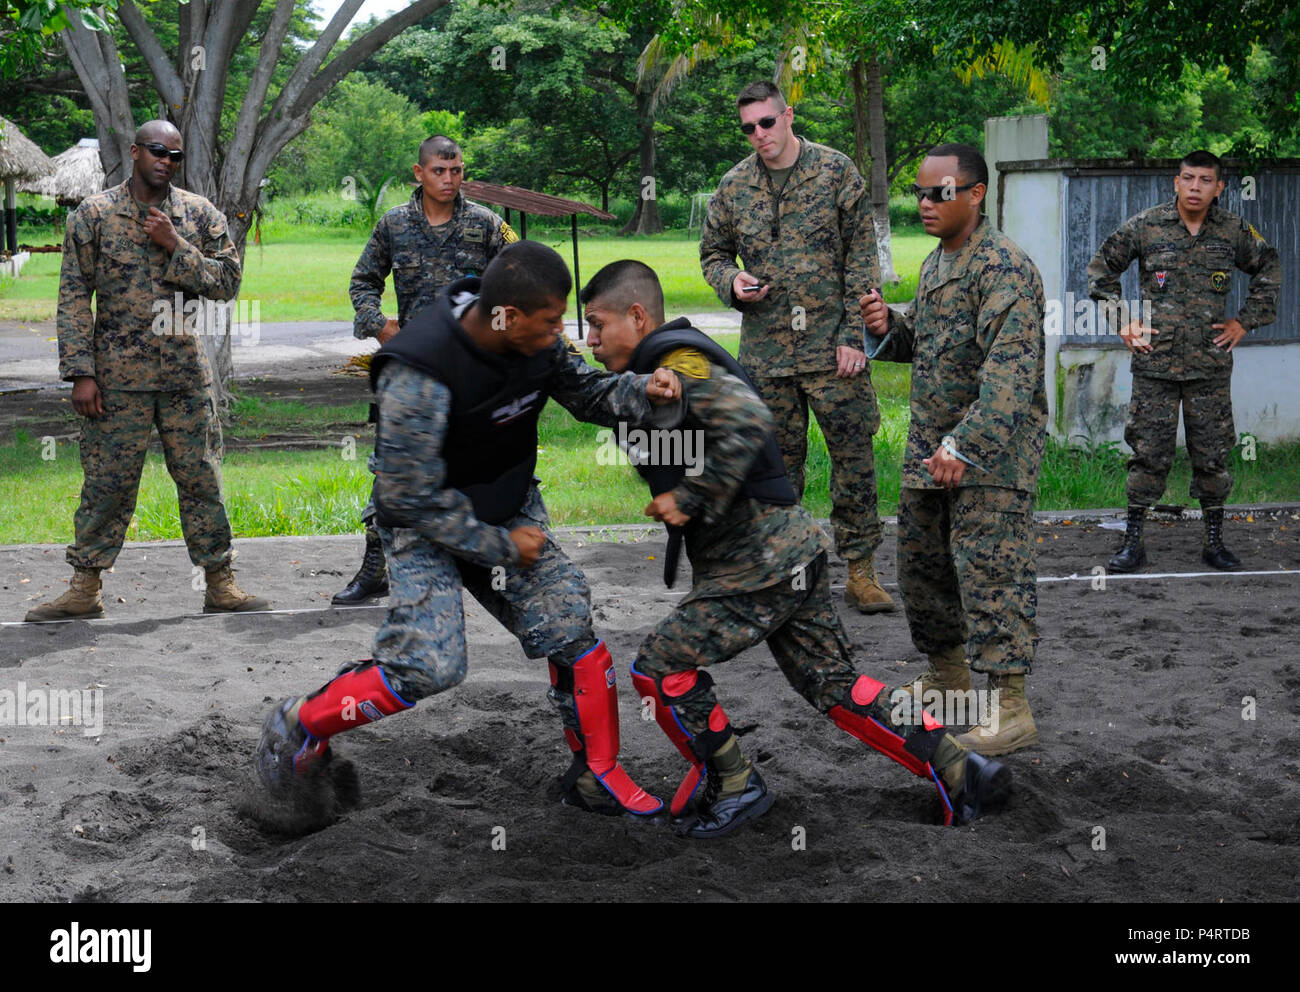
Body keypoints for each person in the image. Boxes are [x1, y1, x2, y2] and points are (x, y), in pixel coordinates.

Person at [582, 259, 1010, 838]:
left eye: (595, 324)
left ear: (636, 316)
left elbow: (749, 418)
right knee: (833, 685)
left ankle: (737, 784)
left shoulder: (677, 361)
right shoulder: (651, 368)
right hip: (790, 552)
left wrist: (690, 495)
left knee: (660, 669)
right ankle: (961, 768)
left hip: (760, 562)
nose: (589, 340)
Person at [257, 242, 678, 818]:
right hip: (422, 525)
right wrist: (500, 547)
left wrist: (642, 390)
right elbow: (410, 496)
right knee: (427, 667)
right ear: (506, 315)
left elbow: (586, 393)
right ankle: (297, 722)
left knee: (569, 626)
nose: (562, 332)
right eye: (551, 320)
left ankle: (595, 775)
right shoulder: (419, 370)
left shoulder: (537, 340)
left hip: (504, 507)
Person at [25, 120, 265, 623]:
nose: (166, 161)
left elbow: (227, 283)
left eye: (175, 156)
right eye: (158, 151)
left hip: (184, 377)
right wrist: (80, 373)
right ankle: (84, 588)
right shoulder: (93, 215)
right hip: (115, 382)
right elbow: (73, 298)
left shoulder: (197, 214)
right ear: (135, 152)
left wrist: (176, 244)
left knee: (201, 479)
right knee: (107, 484)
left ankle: (219, 583)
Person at [860, 144, 1047, 757]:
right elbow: (934, 343)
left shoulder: (1006, 268)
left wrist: (965, 444)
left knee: (992, 574)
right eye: (918, 192)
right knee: (923, 568)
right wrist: (891, 326)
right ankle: (948, 679)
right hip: (928, 454)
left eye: (939, 191)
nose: (925, 203)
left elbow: (1009, 376)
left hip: (989, 458)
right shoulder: (939, 264)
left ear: (974, 194)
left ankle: (1011, 708)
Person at [699, 80, 893, 615]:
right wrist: (731, 282)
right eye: (747, 128)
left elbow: (862, 256)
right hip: (767, 354)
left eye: (766, 122)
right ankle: (787, 570)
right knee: (777, 472)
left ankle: (860, 570)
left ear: (788, 116)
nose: (758, 135)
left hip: (834, 351)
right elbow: (713, 252)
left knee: (853, 462)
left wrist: (854, 336)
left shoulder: (835, 172)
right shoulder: (734, 185)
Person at [335, 134, 517, 605]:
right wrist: (380, 327)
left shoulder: (487, 225)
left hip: (473, 375)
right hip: (412, 374)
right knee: (391, 470)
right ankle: (376, 567)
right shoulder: (394, 225)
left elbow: (516, 287)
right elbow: (363, 281)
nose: (449, 180)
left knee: (484, 466)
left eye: (456, 171)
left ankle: (490, 564)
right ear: (420, 172)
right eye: (440, 171)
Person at [1086, 150, 1282, 572]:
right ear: (1176, 182)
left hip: (1209, 368)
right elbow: (1101, 270)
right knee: (1148, 455)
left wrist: (1244, 322)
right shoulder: (1146, 226)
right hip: (1155, 365)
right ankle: (1133, 543)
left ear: (1218, 187)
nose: (1195, 187)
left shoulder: (1232, 230)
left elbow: (1269, 266)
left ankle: (1214, 543)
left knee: (1212, 456)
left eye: (1205, 180)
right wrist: (1123, 322)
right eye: (1188, 178)